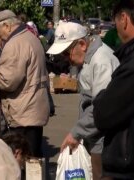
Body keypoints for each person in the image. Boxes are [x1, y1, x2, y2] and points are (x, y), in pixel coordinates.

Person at [47, 21, 119, 179]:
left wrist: (77, 132)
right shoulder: (91, 59)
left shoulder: (101, 61)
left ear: (82, 44)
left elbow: (102, 108)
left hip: (104, 142)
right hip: (95, 138)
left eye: (67, 53)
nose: (66, 59)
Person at [0, 9, 50, 157]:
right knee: (33, 158)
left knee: (22, 160)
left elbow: (8, 80)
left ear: (7, 26)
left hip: (23, 111)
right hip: (33, 108)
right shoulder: (30, 37)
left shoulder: (15, 44)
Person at [93, 0, 134, 179]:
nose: (116, 27)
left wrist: (102, 95)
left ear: (124, 19)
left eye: (116, 21)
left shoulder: (131, 66)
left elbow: (104, 114)